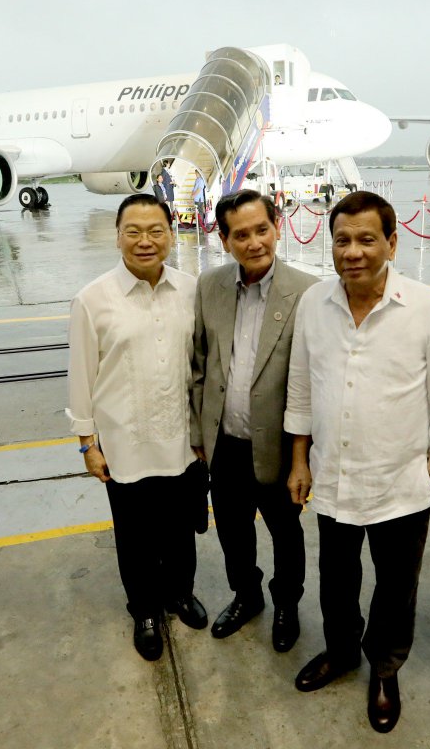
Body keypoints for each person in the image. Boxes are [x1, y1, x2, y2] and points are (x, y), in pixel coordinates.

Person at [284, 191, 430, 733]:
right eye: (343, 240)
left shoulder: (429, 308)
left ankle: (385, 669)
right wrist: (300, 461)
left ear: (392, 241)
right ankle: (342, 653)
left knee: (395, 585)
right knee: (336, 581)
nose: (354, 251)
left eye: (367, 239)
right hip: (334, 477)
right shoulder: (314, 304)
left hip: (401, 482)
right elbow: (300, 390)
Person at [66, 193, 207, 662]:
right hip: (124, 443)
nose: (145, 241)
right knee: (134, 535)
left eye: (155, 231)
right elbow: (81, 376)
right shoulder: (92, 300)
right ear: (118, 237)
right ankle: (144, 609)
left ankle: (180, 594)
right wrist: (87, 443)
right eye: (133, 231)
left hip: (181, 440)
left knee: (181, 530)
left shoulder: (191, 290)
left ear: (170, 233)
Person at [191, 189, 317, 653]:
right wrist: (198, 435)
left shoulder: (308, 292)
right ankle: (246, 596)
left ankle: (286, 603)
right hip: (224, 445)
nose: (254, 242)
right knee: (232, 530)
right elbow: (201, 364)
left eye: (261, 229)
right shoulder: (210, 287)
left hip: (280, 448)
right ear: (224, 240)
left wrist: (305, 454)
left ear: (278, 226)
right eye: (240, 235)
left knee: (286, 533)